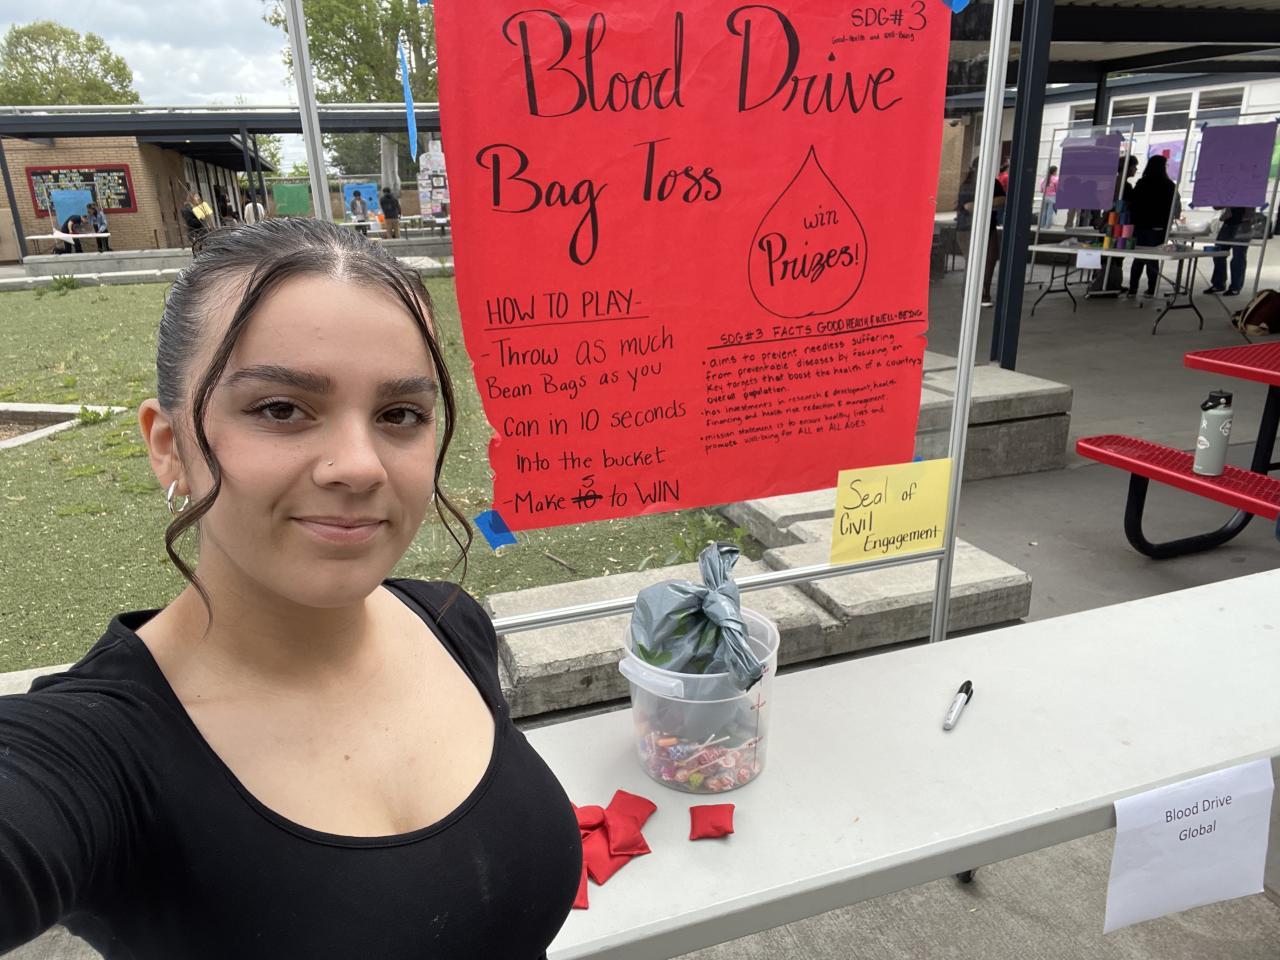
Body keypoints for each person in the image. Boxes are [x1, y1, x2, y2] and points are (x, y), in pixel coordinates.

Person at [0, 219, 581, 958]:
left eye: (400, 415)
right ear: (169, 446)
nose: (359, 465)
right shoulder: (98, 751)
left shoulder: (451, 622)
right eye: (280, 409)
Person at [1126, 155, 1182, 299]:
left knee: (1139, 258)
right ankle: (1151, 289)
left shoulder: (1142, 183)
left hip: (1140, 226)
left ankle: (1132, 289)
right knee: (1153, 258)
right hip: (1159, 227)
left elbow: (1133, 203)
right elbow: (1176, 209)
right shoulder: (1169, 185)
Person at [957, 159, 1007, 307]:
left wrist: (982, 203)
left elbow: (1002, 199)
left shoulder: (994, 183)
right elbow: (968, 206)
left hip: (989, 227)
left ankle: (984, 293)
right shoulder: (968, 185)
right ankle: (970, 295)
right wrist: (990, 203)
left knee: (990, 259)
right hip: (968, 229)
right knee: (973, 261)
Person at [1204, 206, 1252, 297]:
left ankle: (1235, 287)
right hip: (1228, 223)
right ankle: (1218, 284)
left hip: (1243, 224)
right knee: (1218, 254)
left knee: (1238, 257)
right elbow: (1216, 206)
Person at [1038, 165, 1058, 229]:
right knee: (1050, 213)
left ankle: (1041, 225)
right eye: (1056, 171)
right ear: (1054, 171)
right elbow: (1057, 189)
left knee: (1043, 212)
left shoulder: (1043, 180)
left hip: (1044, 196)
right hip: (1052, 197)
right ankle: (1047, 226)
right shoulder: (1056, 179)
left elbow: (1041, 190)